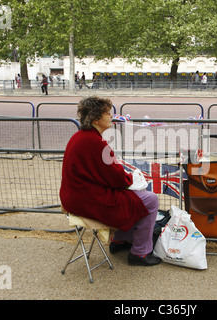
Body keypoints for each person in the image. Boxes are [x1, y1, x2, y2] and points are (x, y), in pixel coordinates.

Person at [59, 96, 161, 266]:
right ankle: (140, 253)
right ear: (96, 118)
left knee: (133, 198)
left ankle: (119, 241)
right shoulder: (95, 142)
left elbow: (105, 173)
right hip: (86, 200)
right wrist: (130, 177)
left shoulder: (80, 136)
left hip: (75, 197)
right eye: (107, 113)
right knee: (150, 199)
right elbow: (117, 178)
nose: (111, 116)